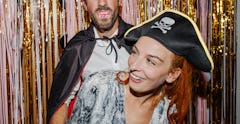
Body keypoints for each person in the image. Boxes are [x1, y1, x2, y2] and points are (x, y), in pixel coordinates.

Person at [67, 9, 214, 124]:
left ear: (172, 74)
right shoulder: (99, 87)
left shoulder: (167, 111)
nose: (134, 66)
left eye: (151, 61)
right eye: (135, 53)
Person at [47, 0, 133, 123]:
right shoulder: (77, 48)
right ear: (84, 5)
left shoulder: (138, 40)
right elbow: (61, 103)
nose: (102, 2)